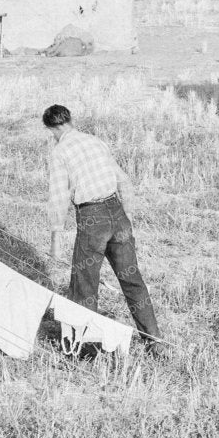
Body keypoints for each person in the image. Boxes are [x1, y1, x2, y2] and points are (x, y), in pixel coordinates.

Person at [43, 104, 161, 348]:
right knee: (132, 280)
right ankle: (154, 340)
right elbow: (124, 181)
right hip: (117, 212)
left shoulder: (59, 152)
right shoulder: (95, 142)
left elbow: (58, 199)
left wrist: (55, 242)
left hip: (92, 216)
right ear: (70, 120)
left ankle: (85, 347)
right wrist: (126, 218)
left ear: (52, 129)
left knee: (84, 284)